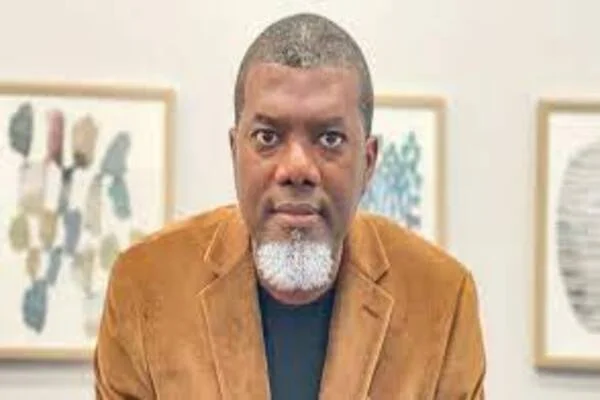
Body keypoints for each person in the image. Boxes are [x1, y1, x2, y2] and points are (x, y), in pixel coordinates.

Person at [94, 12, 486, 399]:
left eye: (330, 139)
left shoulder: (441, 300)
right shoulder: (144, 288)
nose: (297, 169)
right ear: (235, 152)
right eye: (267, 137)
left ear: (368, 163)